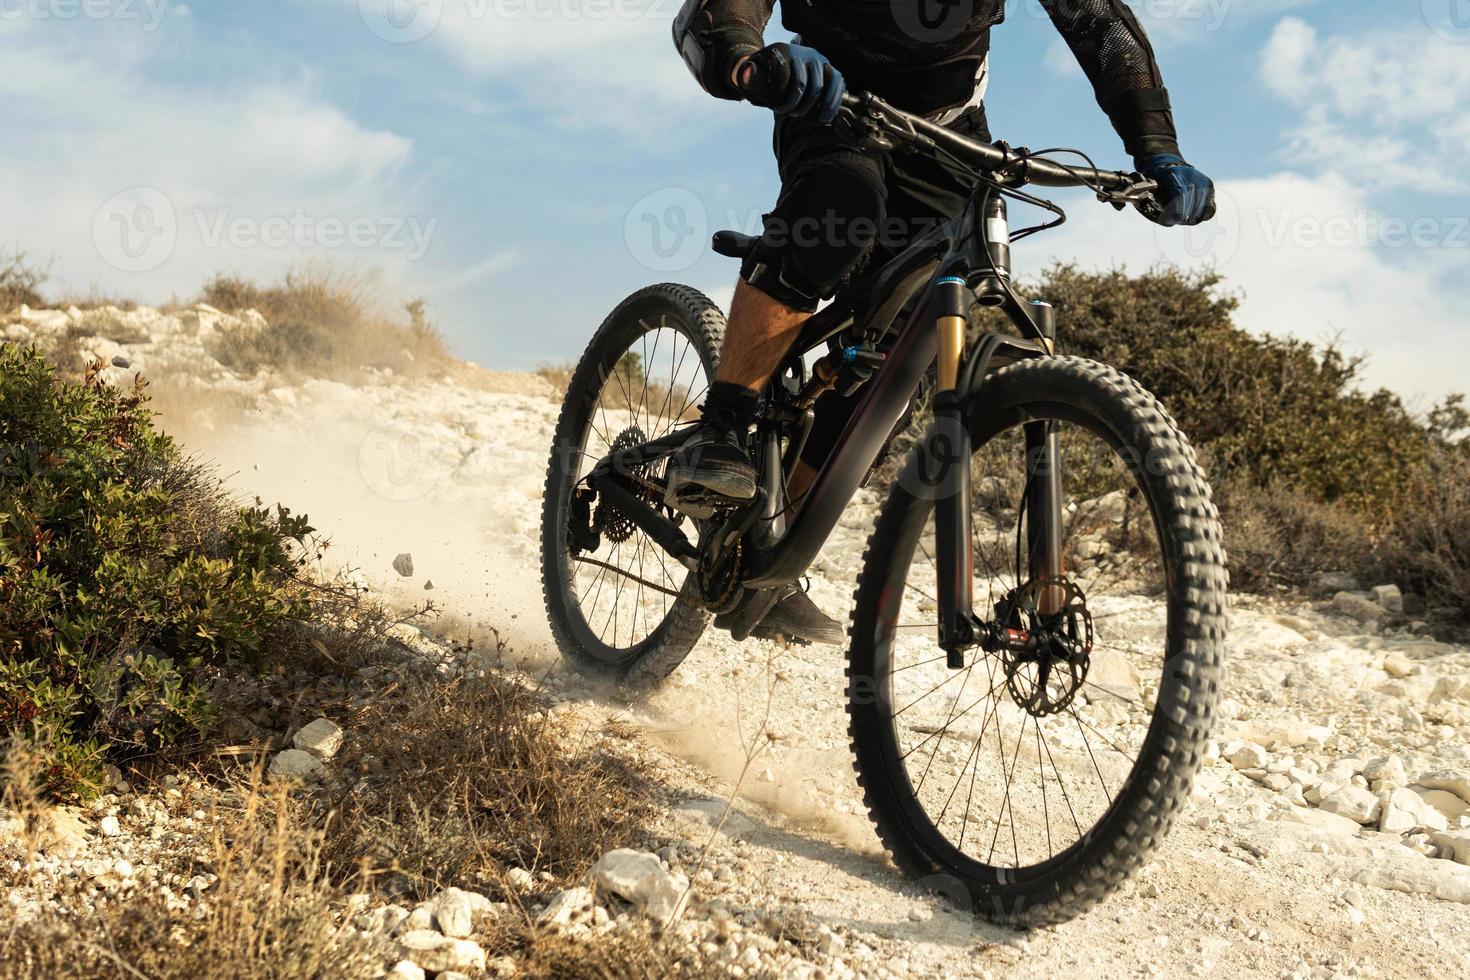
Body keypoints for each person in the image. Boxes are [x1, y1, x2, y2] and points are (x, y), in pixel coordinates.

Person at [668, 0, 1215, 644]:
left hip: (951, 134)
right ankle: (726, 427)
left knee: (897, 357)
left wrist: (1156, 146)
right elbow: (713, 15)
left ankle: (770, 551)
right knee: (836, 213)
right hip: (832, 110)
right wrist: (750, 62)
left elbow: (1101, 26)